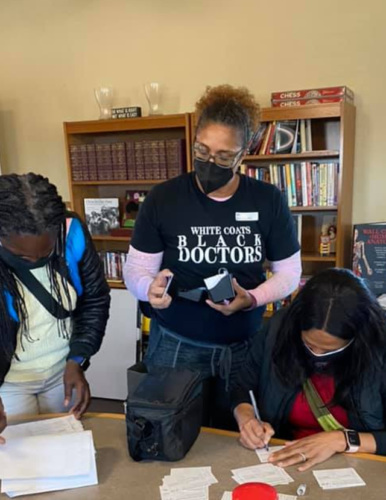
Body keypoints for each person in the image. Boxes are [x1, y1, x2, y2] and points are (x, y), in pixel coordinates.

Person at [124, 84, 301, 428]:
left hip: (244, 348)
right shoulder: (163, 199)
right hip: (177, 344)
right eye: (201, 150)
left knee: (239, 441)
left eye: (223, 156)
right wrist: (150, 290)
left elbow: (290, 273)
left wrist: (251, 298)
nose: (210, 163)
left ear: (244, 152)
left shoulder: (267, 200)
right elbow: (136, 269)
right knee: (170, 436)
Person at [232, 268, 386, 470]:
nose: (318, 355)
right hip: (284, 455)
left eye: (330, 349)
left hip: (362, 464)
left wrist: (342, 440)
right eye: (310, 345)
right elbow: (242, 386)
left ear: (359, 337)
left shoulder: (379, 346)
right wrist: (246, 419)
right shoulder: (278, 331)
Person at [0, 173, 110, 439]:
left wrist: (77, 359)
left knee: (67, 454)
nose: (36, 261)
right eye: (22, 256)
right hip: (9, 383)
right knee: (21, 468)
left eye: (46, 253)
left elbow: (94, 301)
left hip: (62, 371)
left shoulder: (71, 230)